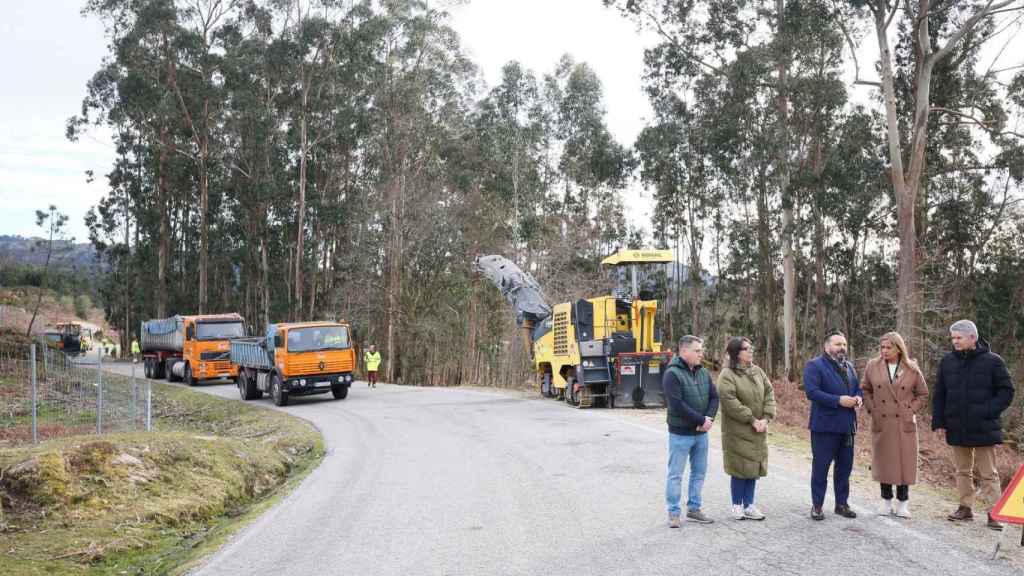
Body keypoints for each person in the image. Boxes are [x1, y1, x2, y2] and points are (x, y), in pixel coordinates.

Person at [932, 319, 1015, 530]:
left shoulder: (993, 361)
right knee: (962, 470)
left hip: (984, 426)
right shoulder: (947, 362)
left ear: (973, 338)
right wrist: (939, 422)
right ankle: (965, 508)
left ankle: (994, 513)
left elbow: (1007, 391)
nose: (955, 341)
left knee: (988, 473)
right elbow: (939, 394)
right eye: (953, 338)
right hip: (956, 425)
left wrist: (987, 411)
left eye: (959, 338)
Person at [861, 332, 928, 519]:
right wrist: (872, 409)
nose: (884, 351)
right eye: (882, 347)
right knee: (884, 462)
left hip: (903, 422)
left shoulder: (911, 368)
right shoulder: (872, 366)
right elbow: (865, 389)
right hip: (882, 420)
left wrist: (910, 410)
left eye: (888, 347)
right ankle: (886, 500)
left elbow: (923, 394)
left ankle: (903, 503)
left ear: (898, 348)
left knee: (904, 462)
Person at [804, 330, 862, 521]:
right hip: (824, 427)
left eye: (844, 344)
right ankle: (817, 506)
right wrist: (838, 400)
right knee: (821, 468)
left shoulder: (850, 366)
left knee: (844, 469)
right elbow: (812, 392)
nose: (842, 348)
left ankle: (841, 504)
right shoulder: (814, 365)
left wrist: (858, 398)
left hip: (847, 427)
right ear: (827, 346)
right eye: (838, 344)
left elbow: (857, 388)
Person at [663, 335, 719, 528]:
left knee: (699, 472)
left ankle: (694, 509)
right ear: (684, 351)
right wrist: (701, 420)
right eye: (697, 351)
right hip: (680, 434)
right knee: (675, 474)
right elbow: (677, 405)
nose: (701, 354)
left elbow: (714, 397)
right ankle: (673, 513)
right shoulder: (672, 374)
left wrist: (709, 419)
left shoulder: (703, 372)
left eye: (701, 350)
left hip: (701, 434)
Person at [717, 337, 776, 521]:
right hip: (738, 430)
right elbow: (729, 401)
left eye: (751, 348)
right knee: (739, 468)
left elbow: (769, 393)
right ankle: (737, 505)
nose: (750, 351)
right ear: (736, 353)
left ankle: (749, 505)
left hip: (758, 429)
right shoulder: (727, 375)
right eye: (746, 348)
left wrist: (766, 418)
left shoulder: (758, 371)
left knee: (753, 467)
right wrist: (751, 419)